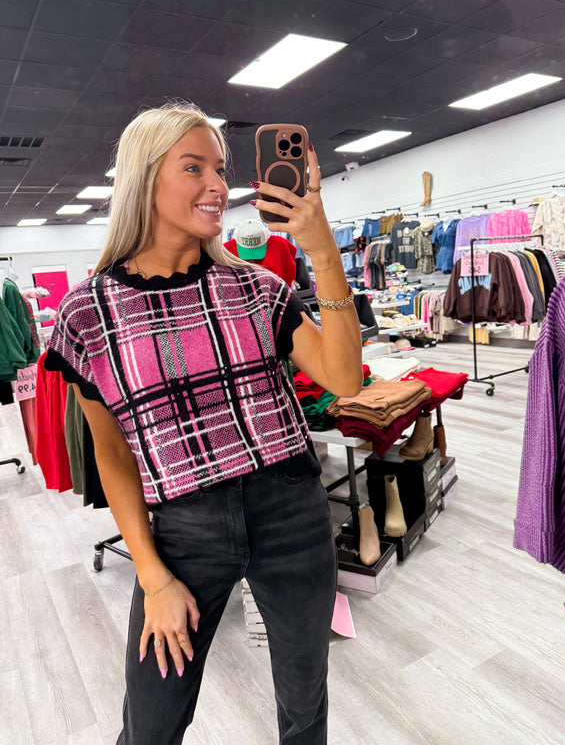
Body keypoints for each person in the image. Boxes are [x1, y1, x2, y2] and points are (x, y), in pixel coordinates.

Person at [44, 101, 362, 745]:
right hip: (183, 531)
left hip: (292, 510)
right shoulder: (88, 314)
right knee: (152, 721)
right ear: (144, 179)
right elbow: (111, 456)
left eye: (219, 168)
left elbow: (346, 380)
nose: (218, 185)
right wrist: (151, 573)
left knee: (304, 704)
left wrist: (322, 249)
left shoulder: (253, 287)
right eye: (194, 167)